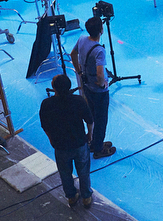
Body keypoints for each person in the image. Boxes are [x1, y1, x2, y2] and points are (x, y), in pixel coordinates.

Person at [39, 74, 95, 208]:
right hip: (79, 143)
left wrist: (51, 139)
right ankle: (86, 197)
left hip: (61, 145)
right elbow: (90, 120)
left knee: (65, 173)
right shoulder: (78, 101)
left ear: (54, 87)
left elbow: (45, 126)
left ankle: (71, 196)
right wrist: (90, 135)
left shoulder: (47, 104)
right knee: (84, 171)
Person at [70, 17, 115, 159]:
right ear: (101, 30)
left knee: (93, 115)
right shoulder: (99, 51)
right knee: (101, 119)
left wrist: (79, 71)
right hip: (98, 91)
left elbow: (73, 54)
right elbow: (100, 73)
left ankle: (95, 141)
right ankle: (98, 148)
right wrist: (102, 84)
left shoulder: (82, 39)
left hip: (87, 85)